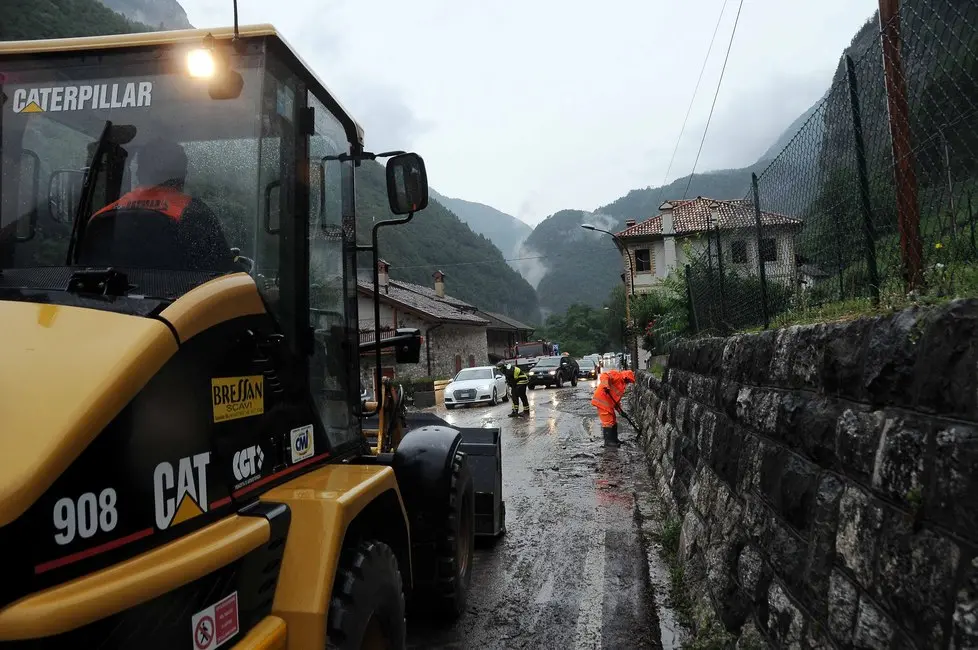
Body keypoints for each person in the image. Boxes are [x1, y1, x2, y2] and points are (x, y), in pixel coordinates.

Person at [78, 136, 235, 271]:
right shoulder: (193, 214)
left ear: (139, 173)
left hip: (101, 305)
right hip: (179, 305)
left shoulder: (100, 217)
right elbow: (223, 276)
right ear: (182, 176)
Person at [590, 369, 635, 447]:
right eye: (628, 380)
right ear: (625, 377)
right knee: (608, 421)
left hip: (608, 403)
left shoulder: (622, 385)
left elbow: (616, 400)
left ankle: (614, 439)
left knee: (613, 420)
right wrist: (606, 386)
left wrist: (621, 411)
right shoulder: (616, 374)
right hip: (601, 401)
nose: (628, 382)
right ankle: (608, 442)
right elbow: (604, 375)